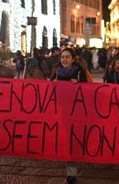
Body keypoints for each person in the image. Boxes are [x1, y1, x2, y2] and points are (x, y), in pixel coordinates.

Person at [50, 48, 87, 183]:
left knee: (73, 142)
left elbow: (88, 91)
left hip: (76, 113)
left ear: (73, 58)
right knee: (64, 141)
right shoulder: (56, 72)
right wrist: (51, 85)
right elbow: (47, 91)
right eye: (62, 57)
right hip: (60, 112)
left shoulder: (79, 72)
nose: (64, 60)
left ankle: (72, 174)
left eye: (67, 57)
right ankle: (70, 174)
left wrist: (80, 85)